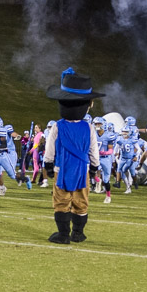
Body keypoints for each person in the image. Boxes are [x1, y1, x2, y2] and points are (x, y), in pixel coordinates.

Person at [42, 68, 104, 243]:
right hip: (82, 170)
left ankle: (63, 234)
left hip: (61, 168)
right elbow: (94, 150)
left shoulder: (57, 126)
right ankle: (78, 233)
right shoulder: (88, 127)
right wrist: (94, 167)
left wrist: (48, 164)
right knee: (81, 200)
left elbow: (49, 149)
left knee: (61, 200)